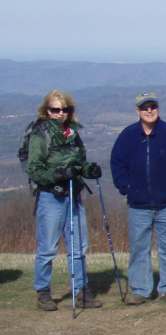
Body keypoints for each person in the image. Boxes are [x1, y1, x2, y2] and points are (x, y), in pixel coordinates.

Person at [26, 90, 103, 311]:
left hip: (73, 194)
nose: (60, 113)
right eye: (55, 110)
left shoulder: (73, 133)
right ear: (46, 111)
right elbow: (34, 169)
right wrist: (57, 176)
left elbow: (80, 163)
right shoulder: (40, 134)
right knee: (48, 248)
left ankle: (81, 292)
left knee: (79, 247)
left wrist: (90, 170)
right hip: (51, 196)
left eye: (64, 109)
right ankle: (43, 293)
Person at [110, 91, 166, 304]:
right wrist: (126, 187)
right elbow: (117, 163)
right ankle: (141, 290)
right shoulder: (127, 136)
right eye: (145, 107)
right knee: (139, 248)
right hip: (138, 204)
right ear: (138, 111)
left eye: (152, 106)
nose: (149, 110)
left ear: (158, 108)